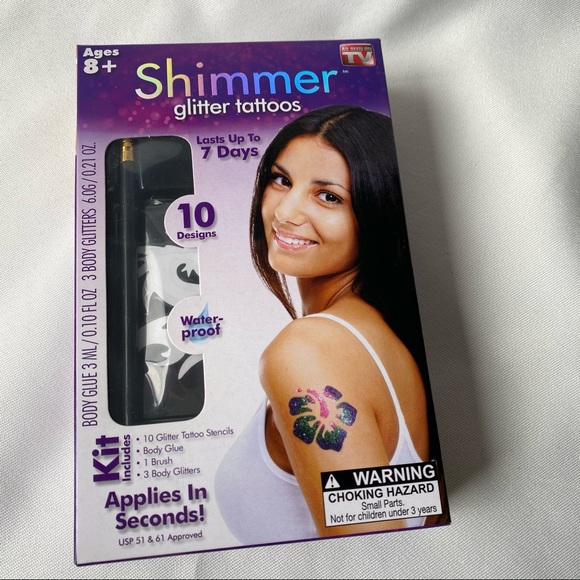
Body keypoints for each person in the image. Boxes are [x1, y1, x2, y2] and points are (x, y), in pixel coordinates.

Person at [215, 105, 440, 544]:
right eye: (282, 180)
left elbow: (374, 555)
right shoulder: (385, 336)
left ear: (378, 213)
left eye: (329, 197)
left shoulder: (308, 350)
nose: (286, 212)